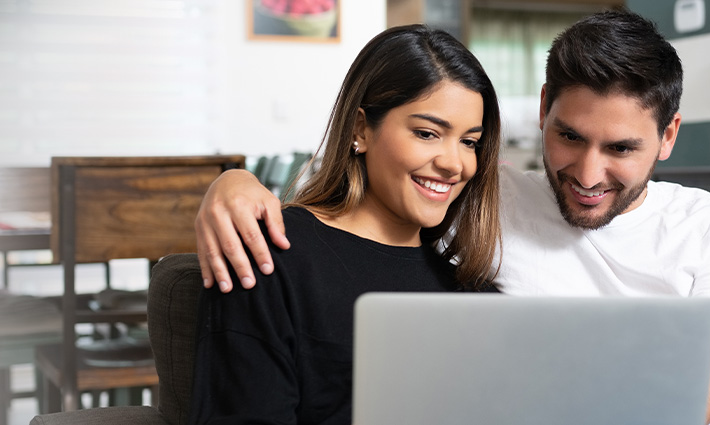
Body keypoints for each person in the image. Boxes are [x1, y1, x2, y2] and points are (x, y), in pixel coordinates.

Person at [193, 11, 710, 425]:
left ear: (668, 136)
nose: (589, 174)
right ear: (543, 111)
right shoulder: (481, 211)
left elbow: (706, 391)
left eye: (620, 148)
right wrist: (230, 183)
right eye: (569, 136)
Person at [186, 24, 504, 425]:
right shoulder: (269, 256)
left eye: (469, 141)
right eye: (427, 133)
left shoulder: (475, 292)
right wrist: (230, 178)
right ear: (359, 129)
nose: (454, 164)